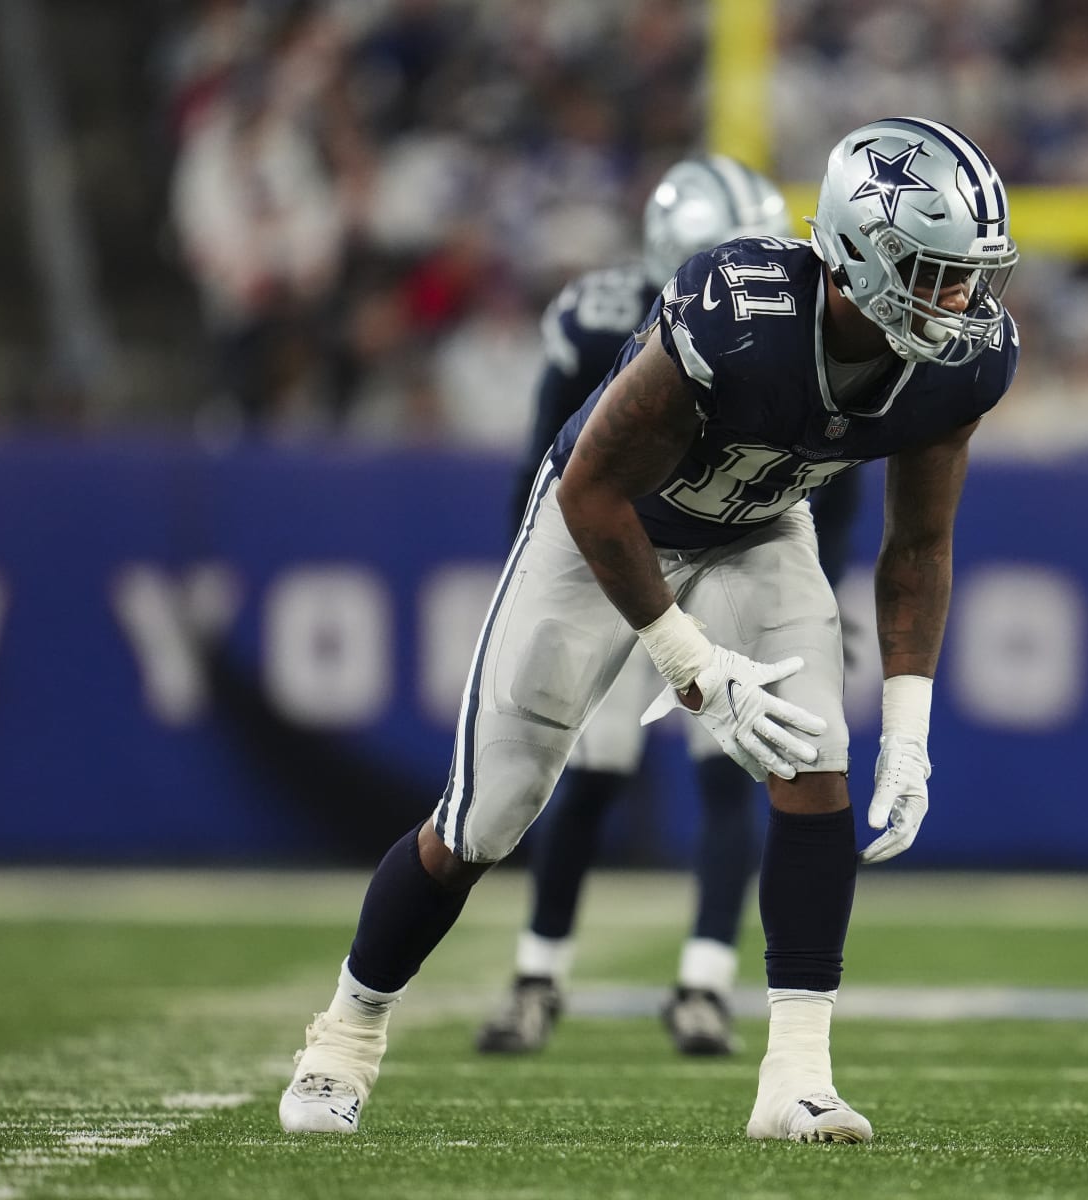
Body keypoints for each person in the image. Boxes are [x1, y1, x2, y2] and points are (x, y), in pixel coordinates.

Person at [278, 115, 1020, 1143]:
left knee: (815, 766)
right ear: (861, 254)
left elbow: (918, 546)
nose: (965, 303)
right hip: (605, 527)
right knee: (488, 814)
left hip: (760, 527)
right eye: (937, 273)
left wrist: (911, 728)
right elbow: (591, 489)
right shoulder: (743, 313)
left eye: (971, 275)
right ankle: (345, 1036)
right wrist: (686, 661)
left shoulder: (962, 364)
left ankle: (795, 1079)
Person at [473, 154, 861, 1059]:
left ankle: (703, 983)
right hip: (619, 565)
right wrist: (533, 590)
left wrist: (812, 602)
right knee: (582, 774)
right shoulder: (603, 321)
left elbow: (832, 485)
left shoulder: (802, 341)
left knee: (734, 774)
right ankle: (540, 973)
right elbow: (549, 467)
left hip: (735, 560)